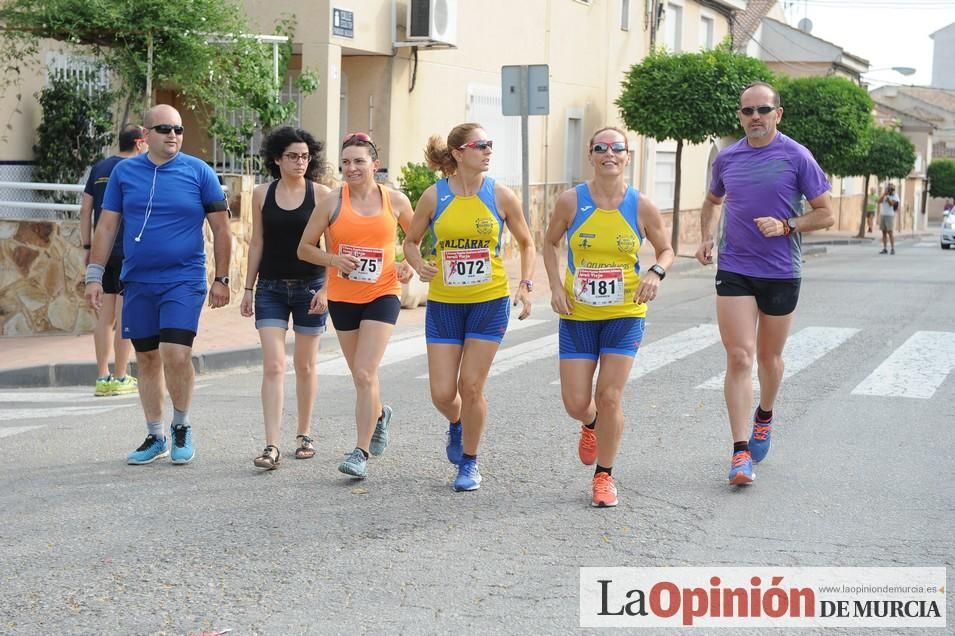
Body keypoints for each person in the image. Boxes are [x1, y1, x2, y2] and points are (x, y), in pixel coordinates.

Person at [694, 82, 833, 486]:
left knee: (769, 360)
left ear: (778, 114)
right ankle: (740, 454)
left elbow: (826, 214)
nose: (754, 117)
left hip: (781, 270)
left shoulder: (796, 157)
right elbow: (712, 201)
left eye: (762, 110)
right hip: (735, 266)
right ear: (740, 116)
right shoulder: (728, 158)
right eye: (747, 111)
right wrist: (705, 237)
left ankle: (765, 415)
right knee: (739, 357)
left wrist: (788, 224)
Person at [85, 104, 231, 465]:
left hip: (183, 278)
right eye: (165, 129)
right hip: (137, 280)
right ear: (145, 135)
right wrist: (93, 274)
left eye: (178, 130)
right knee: (147, 357)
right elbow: (106, 226)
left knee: (175, 353)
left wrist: (222, 278)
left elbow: (222, 228)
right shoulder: (124, 173)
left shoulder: (199, 172)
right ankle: (155, 435)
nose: (173, 136)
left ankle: (181, 425)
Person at [543, 127, 673, 508]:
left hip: (625, 313)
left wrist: (656, 272)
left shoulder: (642, 205)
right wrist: (554, 287)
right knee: (576, 402)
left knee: (610, 395)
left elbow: (665, 250)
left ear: (628, 157)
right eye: (601, 147)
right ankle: (590, 424)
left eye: (617, 148)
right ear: (591, 155)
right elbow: (550, 243)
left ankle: (604, 476)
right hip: (578, 313)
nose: (609, 153)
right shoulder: (571, 201)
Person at [403, 122, 535, 492]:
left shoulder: (501, 195)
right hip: (445, 303)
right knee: (443, 393)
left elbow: (527, 243)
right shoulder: (434, 196)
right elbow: (410, 241)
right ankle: (457, 423)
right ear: (459, 153)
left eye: (491, 144)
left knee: (471, 385)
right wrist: (417, 263)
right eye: (481, 145)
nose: (489, 151)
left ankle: (470, 463)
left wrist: (525, 284)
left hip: (488, 301)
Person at [297, 132, 414, 479]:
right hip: (344, 297)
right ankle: (379, 416)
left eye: (359, 161)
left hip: (383, 293)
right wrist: (333, 259)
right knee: (362, 376)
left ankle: (359, 453)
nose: (352, 168)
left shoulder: (395, 200)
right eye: (346, 162)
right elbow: (304, 248)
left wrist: (410, 262)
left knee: (365, 371)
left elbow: (419, 237)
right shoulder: (332, 202)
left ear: (374, 165)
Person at [240, 126, 332, 470]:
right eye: (292, 156)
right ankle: (271, 445)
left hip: (311, 288)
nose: (300, 162)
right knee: (275, 364)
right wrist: (248, 289)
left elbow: (332, 248)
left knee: (305, 365)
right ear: (277, 158)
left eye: (305, 156)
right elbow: (257, 242)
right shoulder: (262, 193)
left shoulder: (322, 193)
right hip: (271, 288)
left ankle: (304, 434)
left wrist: (327, 289)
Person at [80, 124, 147, 397]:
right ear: (140, 142)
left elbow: (85, 210)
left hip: (101, 250)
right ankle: (120, 376)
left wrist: (88, 245)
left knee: (104, 317)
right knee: (123, 315)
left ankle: (102, 376)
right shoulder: (137, 169)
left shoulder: (98, 169)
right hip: (126, 250)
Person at [878, 183, 899, 255]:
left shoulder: (895, 196)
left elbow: (891, 204)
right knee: (883, 232)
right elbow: (879, 201)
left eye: (891, 189)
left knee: (890, 232)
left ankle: (892, 248)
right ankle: (885, 248)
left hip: (890, 216)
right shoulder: (884, 194)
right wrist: (884, 194)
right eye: (888, 188)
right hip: (883, 214)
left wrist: (888, 198)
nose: (889, 190)